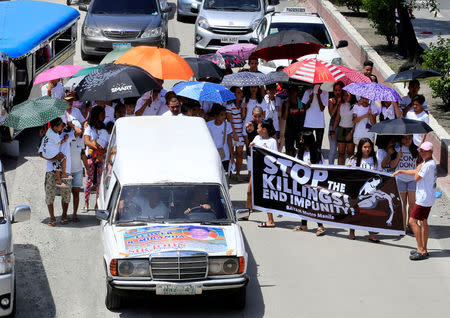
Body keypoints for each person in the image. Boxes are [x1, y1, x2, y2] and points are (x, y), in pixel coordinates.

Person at [394, 141, 436, 260]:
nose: (422, 153)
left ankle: (421, 250)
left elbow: (417, 177)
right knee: (423, 222)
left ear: (431, 152)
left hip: (423, 199)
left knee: (412, 222)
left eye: (425, 151)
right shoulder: (427, 163)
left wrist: (418, 167)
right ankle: (424, 248)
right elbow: (415, 172)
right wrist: (401, 171)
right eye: (421, 151)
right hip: (428, 197)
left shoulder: (427, 165)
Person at [38, 117, 72, 226]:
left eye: (64, 125)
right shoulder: (52, 135)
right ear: (56, 127)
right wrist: (51, 158)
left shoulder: (53, 133)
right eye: (62, 125)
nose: (63, 127)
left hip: (64, 169)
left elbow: (78, 131)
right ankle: (52, 218)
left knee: (66, 195)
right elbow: (40, 153)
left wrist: (70, 126)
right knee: (49, 195)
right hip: (51, 170)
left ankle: (64, 215)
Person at [347, 138, 380, 242]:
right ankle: (351, 232)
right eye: (365, 147)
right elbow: (345, 172)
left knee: (369, 212)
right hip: (355, 189)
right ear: (360, 147)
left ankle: (371, 233)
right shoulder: (353, 159)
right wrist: (348, 167)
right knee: (354, 210)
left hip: (368, 191)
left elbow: (378, 174)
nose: (367, 149)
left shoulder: (375, 160)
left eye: (369, 147)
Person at [293, 131, 326, 236]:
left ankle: (320, 226)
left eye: (302, 139)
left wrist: (312, 166)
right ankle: (304, 225)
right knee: (303, 203)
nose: (300, 141)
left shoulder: (317, 153)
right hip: (302, 182)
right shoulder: (300, 152)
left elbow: (323, 168)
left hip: (314, 184)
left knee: (314, 204)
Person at [248, 119, 278, 228]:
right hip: (256, 170)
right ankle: (247, 214)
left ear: (264, 130)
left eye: (259, 128)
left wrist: (266, 151)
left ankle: (271, 220)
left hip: (266, 173)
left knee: (266, 196)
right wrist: (251, 145)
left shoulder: (272, 142)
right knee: (249, 192)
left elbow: (275, 157)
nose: (257, 130)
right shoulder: (257, 138)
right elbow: (251, 148)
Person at [390, 135, 419, 230]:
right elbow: (392, 165)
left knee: (412, 203)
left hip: (412, 179)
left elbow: (420, 164)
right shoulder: (397, 148)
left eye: (409, 138)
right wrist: (398, 156)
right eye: (405, 138)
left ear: (412, 138)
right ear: (401, 139)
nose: (407, 140)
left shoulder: (416, 149)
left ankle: (411, 224)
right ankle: (402, 226)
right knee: (402, 203)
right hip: (400, 179)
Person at [83, 106, 106, 212]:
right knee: (88, 181)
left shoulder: (104, 128)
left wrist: (102, 151)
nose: (104, 116)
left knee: (99, 182)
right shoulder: (89, 127)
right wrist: (97, 148)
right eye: (102, 114)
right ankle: (86, 202)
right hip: (90, 158)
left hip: (101, 159)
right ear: (97, 115)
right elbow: (86, 141)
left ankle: (97, 203)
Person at [39, 118, 72, 188]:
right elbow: (60, 142)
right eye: (60, 126)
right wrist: (65, 139)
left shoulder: (49, 130)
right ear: (55, 127)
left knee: (57, 162)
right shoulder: (55, 135)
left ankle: (58, 180)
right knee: (63, 157)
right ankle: (63, 174)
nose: (61, 128)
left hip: (45, 152)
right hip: (49, 154)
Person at [206, 104, 234, 172]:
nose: (224, 117)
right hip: (213, 153)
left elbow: (229, 140)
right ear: (215, 116)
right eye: (221, 115)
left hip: (225, 154)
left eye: (225, 114)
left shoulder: (227, 125)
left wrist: (232, 154)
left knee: (225, 172)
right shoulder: (209, 125)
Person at [226, 87, 246, 182]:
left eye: (241, 92)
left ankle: (237, 174)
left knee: (239, 154)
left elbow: (242, 118)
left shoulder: (242, 104)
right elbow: (230, 121)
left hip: (240, 132)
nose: (241, 94)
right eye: (238, 92)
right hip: (232, 133)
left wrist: (243, 108)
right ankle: (229, 172)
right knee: (231, 154)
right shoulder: (229, 106)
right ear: (234, 94)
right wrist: (234, 133)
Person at [301, 84, 328, 149]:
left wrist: (318, 95)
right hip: (308, 123)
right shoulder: (307, 92)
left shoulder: (325, 93)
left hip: (320, 124)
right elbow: (304, 108)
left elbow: (322, 108)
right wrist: (310, 99)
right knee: (307, 145)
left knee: (318, 147)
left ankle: (318, 158)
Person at [333, 90, 356, 165]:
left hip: (350, 129)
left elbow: (356, 122)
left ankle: (350, 171)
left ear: (351, 96)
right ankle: (340, 171)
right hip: (341, 129)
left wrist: (351, 132)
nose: (345, 97)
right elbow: (337, 119)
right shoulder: (341, 105)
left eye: (347, 95)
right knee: (341, 153)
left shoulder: (355, 106)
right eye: (344, 95)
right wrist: (333, 131)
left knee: (350, 153)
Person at [282, 86, 305, 156]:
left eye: (293, 92)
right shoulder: (285, 103)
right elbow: (284, 118)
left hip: (299, 130)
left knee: (300, 150)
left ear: (296, 93)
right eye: (290, 93)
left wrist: (302, 133)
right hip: (289, 129)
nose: (292, 94)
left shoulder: (301, 103)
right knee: (288, 150)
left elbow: (303, 119)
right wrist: (287, 107)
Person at [69, 120, 85, 222]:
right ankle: (65, 214)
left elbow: (82, 154)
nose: (79, 132)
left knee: (76, 194)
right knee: (66, 195)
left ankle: (74, 214)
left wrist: (87, 168)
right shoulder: (67, 139)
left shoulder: (81, 140)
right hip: (67, 172)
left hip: (78, 170)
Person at [327, 81, 345, 164]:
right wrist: (337, 104)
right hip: (333, 126)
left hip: (343, 127)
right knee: (333, 149)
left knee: (341, 150)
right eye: (336, 90)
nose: (337, 92)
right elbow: (331, 114)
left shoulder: (345, 100)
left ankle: (340, 168)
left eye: (339, 90)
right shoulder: (331, 100)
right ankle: (330, 167)